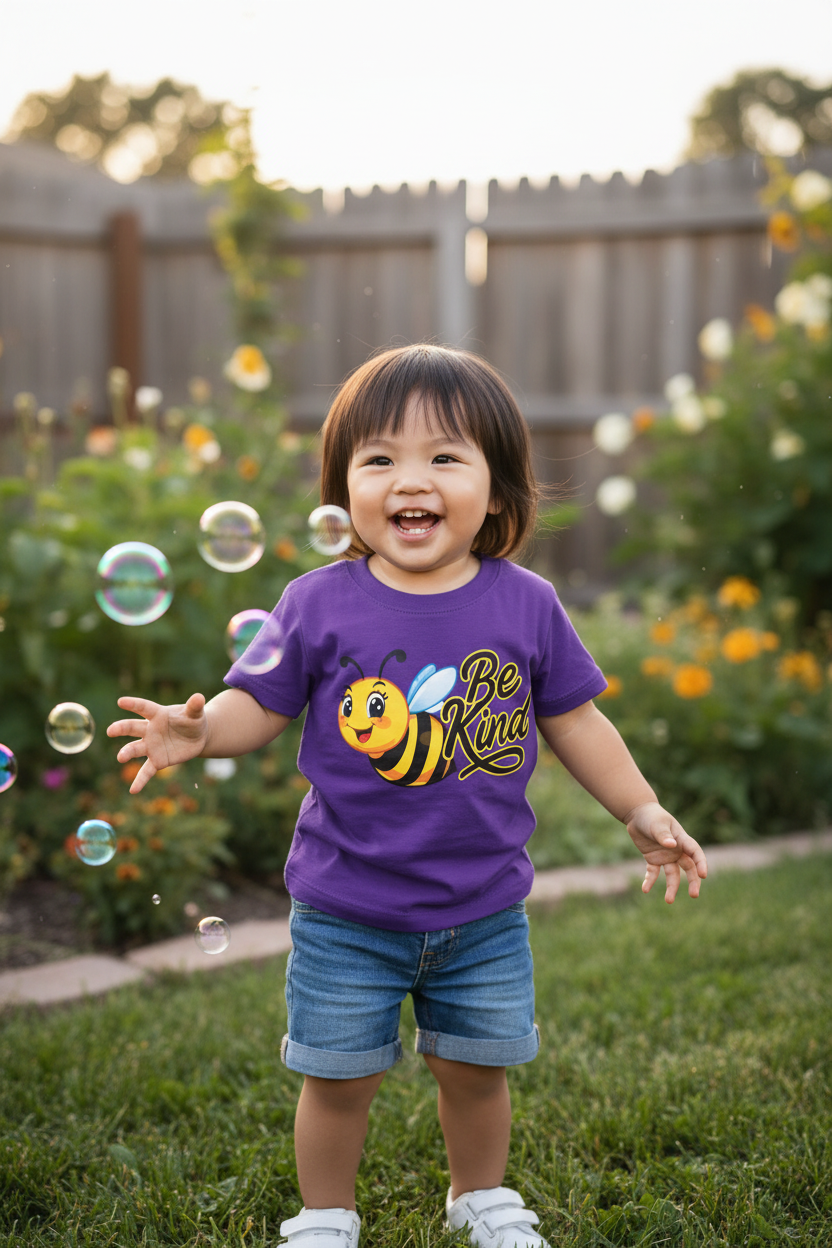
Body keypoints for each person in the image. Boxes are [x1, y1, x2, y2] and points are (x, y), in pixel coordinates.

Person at [108, 344, 708, 1248]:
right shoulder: (317, 602)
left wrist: (641, 807)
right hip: (348, 904)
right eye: (379, 459)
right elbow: (258, 703)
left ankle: (480, 1197)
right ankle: (324, 1215)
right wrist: (201, 731)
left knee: (475, 1070)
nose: (408, 480)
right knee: (338, 1077)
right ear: (343, 489)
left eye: (444, 457)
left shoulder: (528, 604)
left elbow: (577, 723)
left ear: (499, 493)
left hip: (483, 911)